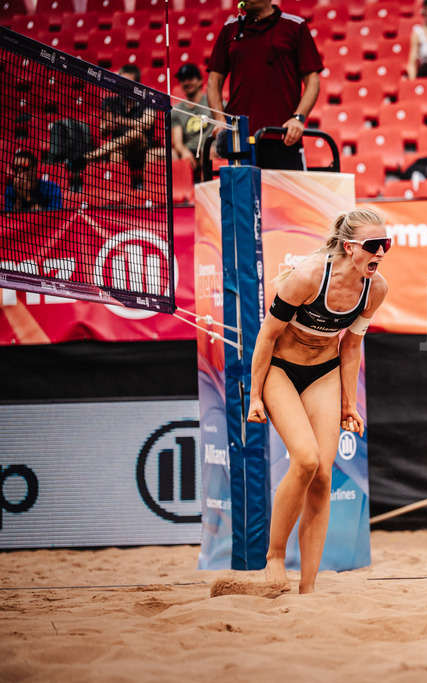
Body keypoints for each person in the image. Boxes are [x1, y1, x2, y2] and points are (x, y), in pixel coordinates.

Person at [246, 208, 391, 593]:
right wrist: (255, 396)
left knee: (323, 475)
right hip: (281, 369)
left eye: (386, 245)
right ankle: (275, 558)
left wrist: (349, 404)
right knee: (306, 459)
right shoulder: (309, 275)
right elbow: (267, 336)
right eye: (373, 246)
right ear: (350, 247)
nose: (381, 253)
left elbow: (352, 344)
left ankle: (307, 588)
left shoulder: (375, 288)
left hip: (323, 372)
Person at [207, 0, 324, 171]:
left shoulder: (295, 26)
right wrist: (219, 120)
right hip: (240, 139)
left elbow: (312, 80)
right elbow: (214, 79)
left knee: (286, 198)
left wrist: (298, 118)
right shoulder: (229, 28)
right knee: (242, 197)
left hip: (284, 136)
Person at [81, 64, 157, 191]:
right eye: (122, 82)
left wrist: (121, 121)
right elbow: (102, 132)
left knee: (137, 132)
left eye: (129, 83)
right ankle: (119, 194)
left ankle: (92, 155)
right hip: (119, 149)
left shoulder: (147, 100)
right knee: (116, 154)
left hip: (142, 149)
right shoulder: (110, 102)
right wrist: (108, 126)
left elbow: (147, 124)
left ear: (137, 85)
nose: (125, 87)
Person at [170, 63, 216, 175]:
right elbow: (178, 142)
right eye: (183, 79)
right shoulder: (176, 110)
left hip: (209, 147)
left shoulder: (214, 102)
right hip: (189, 149)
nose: (186, 83)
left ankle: (206, 187)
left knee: (209, 151)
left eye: (190, 78)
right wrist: (184, 151)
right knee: (170, 154)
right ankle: (179, 190)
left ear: (200, 81)